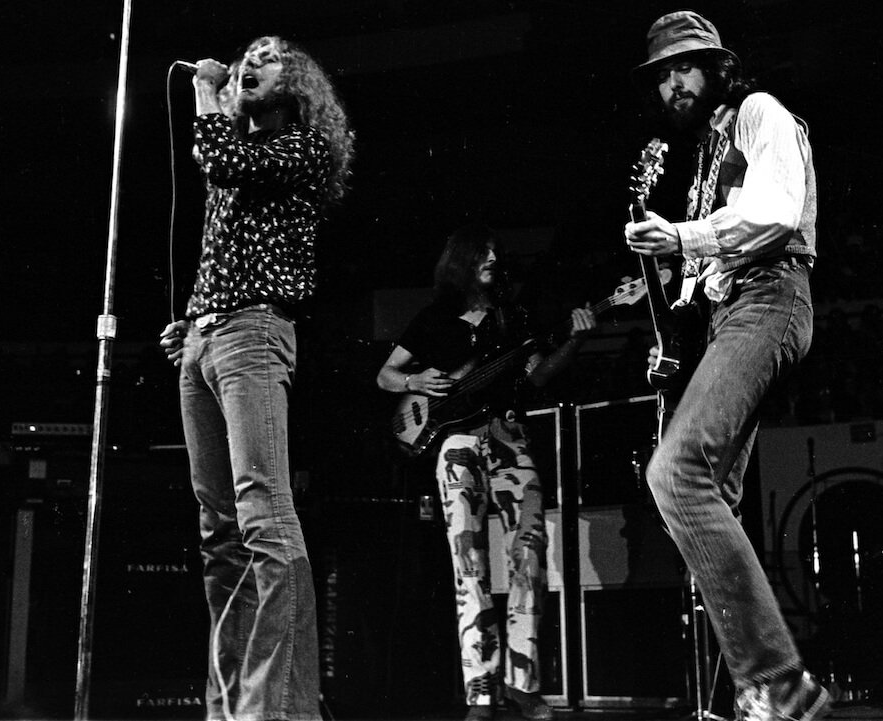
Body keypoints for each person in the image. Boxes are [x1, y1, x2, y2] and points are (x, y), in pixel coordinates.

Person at [623, 11, 829, 721]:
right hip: (728, 314)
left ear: (717, 67)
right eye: (661, 76)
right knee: (710, 502)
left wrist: (681, 235)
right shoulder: (710, 158)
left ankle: (776, 682)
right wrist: (670, 331)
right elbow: (707, 268)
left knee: (674, 474)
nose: (672, 84)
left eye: (684, 67)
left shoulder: (758, 113)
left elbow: (775, 212)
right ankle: (737, 699)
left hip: (769, 298)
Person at [159, 35, 354, 721]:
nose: (251, 60)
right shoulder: (235, 162)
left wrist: (205, 92)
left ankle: (282, 709)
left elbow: (218, 153)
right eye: (248, 52)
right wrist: (190, 321)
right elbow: (220, 249)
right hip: (205, 341)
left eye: (267, 55)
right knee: (220, 534)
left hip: (255, 335)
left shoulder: (298, 150)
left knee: (263, 516)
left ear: (296, 81)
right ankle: (231, 705)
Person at [376, 224, 595, 721]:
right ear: (462, 261)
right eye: (484, 253)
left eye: (496, 253)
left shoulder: (512, 316)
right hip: (454, 443)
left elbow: (536, 374)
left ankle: (523, 683)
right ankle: (480, 691)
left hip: (508, 435)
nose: (493, 258)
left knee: (530, 553)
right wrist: (413, 379)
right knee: (467, 564)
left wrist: (575, 344)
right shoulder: (434, 318)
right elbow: (385, 374)